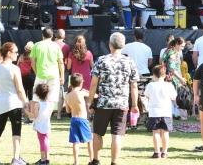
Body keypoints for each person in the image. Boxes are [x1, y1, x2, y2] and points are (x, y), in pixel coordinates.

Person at [87, 32, 139, 165]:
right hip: (121, 104)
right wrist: (134, 104)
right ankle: (114, 162)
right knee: (117, 135)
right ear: (123, 45)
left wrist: (89, 101)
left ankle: (96, 159)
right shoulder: (130, 62)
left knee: (97, 133)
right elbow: (134, 86)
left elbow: (93, 84)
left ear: (110, 45)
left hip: (103, 103)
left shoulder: (101, 60)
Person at [0, 42, 29, 165]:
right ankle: (16, 158)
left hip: (0, 104)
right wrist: (25, 102)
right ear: (9, 53)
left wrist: (0, 97)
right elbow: (20, 89)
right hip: (14, 104)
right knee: (16, 131)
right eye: (16, 52)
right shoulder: (15, 68)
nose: (17, 54)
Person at [145, 65, 178, 158]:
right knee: (165, 132)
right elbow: (174, 97)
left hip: (154, 112)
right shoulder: (169, 85)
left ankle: (156, 152)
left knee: (155, 132)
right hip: (166, 112)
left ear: (154, 75)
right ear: (164, 75)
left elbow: (146, 95)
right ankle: (164, 152)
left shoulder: (150, 85)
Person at [31, 28, 64, 105]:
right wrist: (62, 77)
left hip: (41, 75)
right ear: (52, 36)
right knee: (51, 100)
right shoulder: (56, 46)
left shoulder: (36, 45)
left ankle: (37, 116)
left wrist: (37, 73)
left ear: (42, 35)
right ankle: (47, 116)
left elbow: (32, 63)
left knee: (37, 98)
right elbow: (61, 63)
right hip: (54, 76)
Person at [65, 73, 93, 165]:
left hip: (73, 119)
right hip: (83, 119)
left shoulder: (67, 96)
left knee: (75, 142)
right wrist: (88, 92)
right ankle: (91, 159)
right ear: (81, 83)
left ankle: (76, 162)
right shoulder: (82, 93)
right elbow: (94, 96)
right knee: (89, 140)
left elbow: (68, 110)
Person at [27, 83, 53, 165]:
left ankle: (43, 159)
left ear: (37, 94)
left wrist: (26, 111)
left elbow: (34, 116)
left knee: (42, 142)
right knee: (46, 141)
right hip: (47, 125)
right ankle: (47, 158)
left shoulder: (37, 104)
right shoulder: (50, 104)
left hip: (40, 126)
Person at [54, 29, 70, 119]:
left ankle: (48, 113)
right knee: (62, 92)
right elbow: (67, 60)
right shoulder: (66, 46)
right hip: (63, 71)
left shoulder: (51, 44)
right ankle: (59, 114)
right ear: (64, 36)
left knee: (50, 92)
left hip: (51, 70)